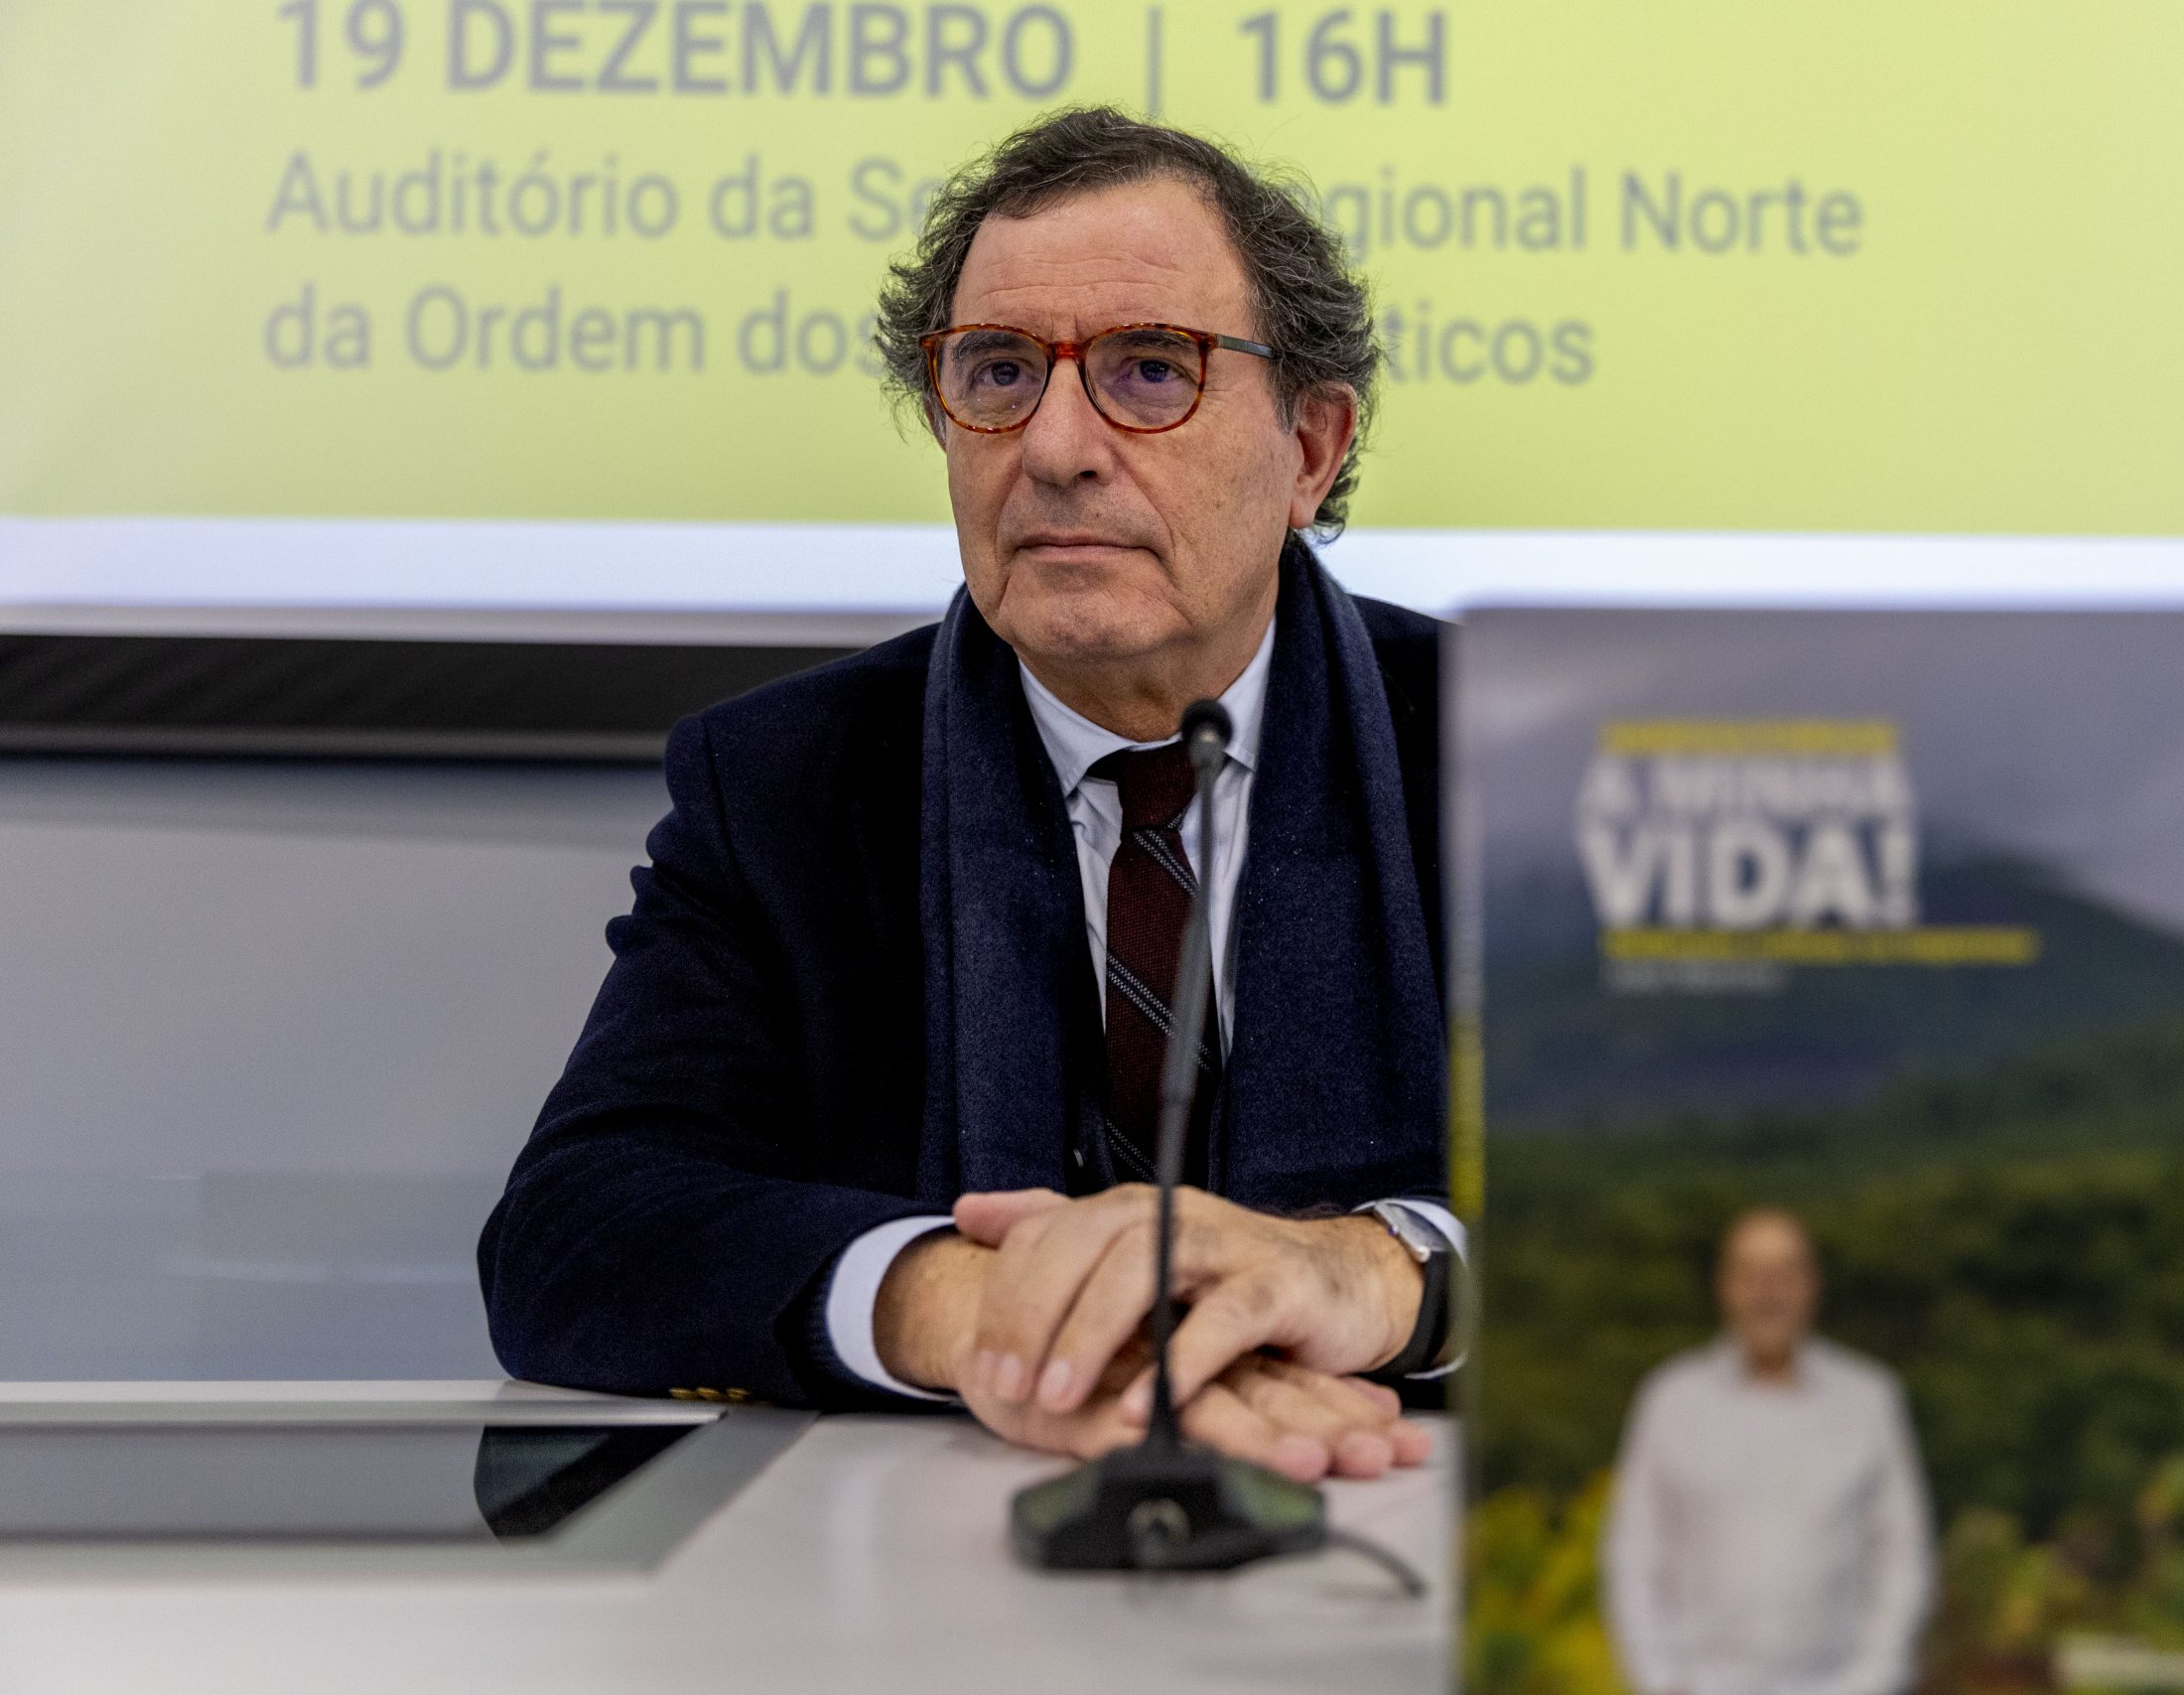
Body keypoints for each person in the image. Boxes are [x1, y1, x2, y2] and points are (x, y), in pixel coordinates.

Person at [476, 106, 1460, 1485]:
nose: (1055, 446)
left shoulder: (1511, 752)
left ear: (1309, 448)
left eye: (1149, 370)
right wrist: (974, 1306)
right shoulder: (788, 786)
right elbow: (575, 1233)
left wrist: (1379, 1270)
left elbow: (1742, 1195)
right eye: (997, 371)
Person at [1601, 1208, 1933, 1695]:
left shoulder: (1870, 1399)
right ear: (1725, 1286)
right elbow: (1635, 1552)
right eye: (1751, 1274)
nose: (1768, 1293)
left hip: (1837, 1685)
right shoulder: (1671, 1400)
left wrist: (1873, 1677)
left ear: (1812, 1285)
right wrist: (1660, 1679)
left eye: (1784, 1274)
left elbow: (1901, 1555)